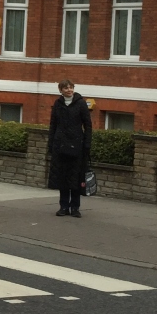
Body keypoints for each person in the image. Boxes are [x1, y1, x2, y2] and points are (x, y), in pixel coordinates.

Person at [48, 78, 92, 217]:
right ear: (61, 90)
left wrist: (87, 144)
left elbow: (88, 124)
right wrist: (51, 144)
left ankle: (75, 208)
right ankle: (64, 207)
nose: (69, 90)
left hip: (76, 147)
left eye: (71, 87)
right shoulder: (57, 104)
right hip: (60, 146)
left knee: (76, 178)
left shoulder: (81, 103)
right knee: (63, 178)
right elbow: (53, 125)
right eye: (66, 88)